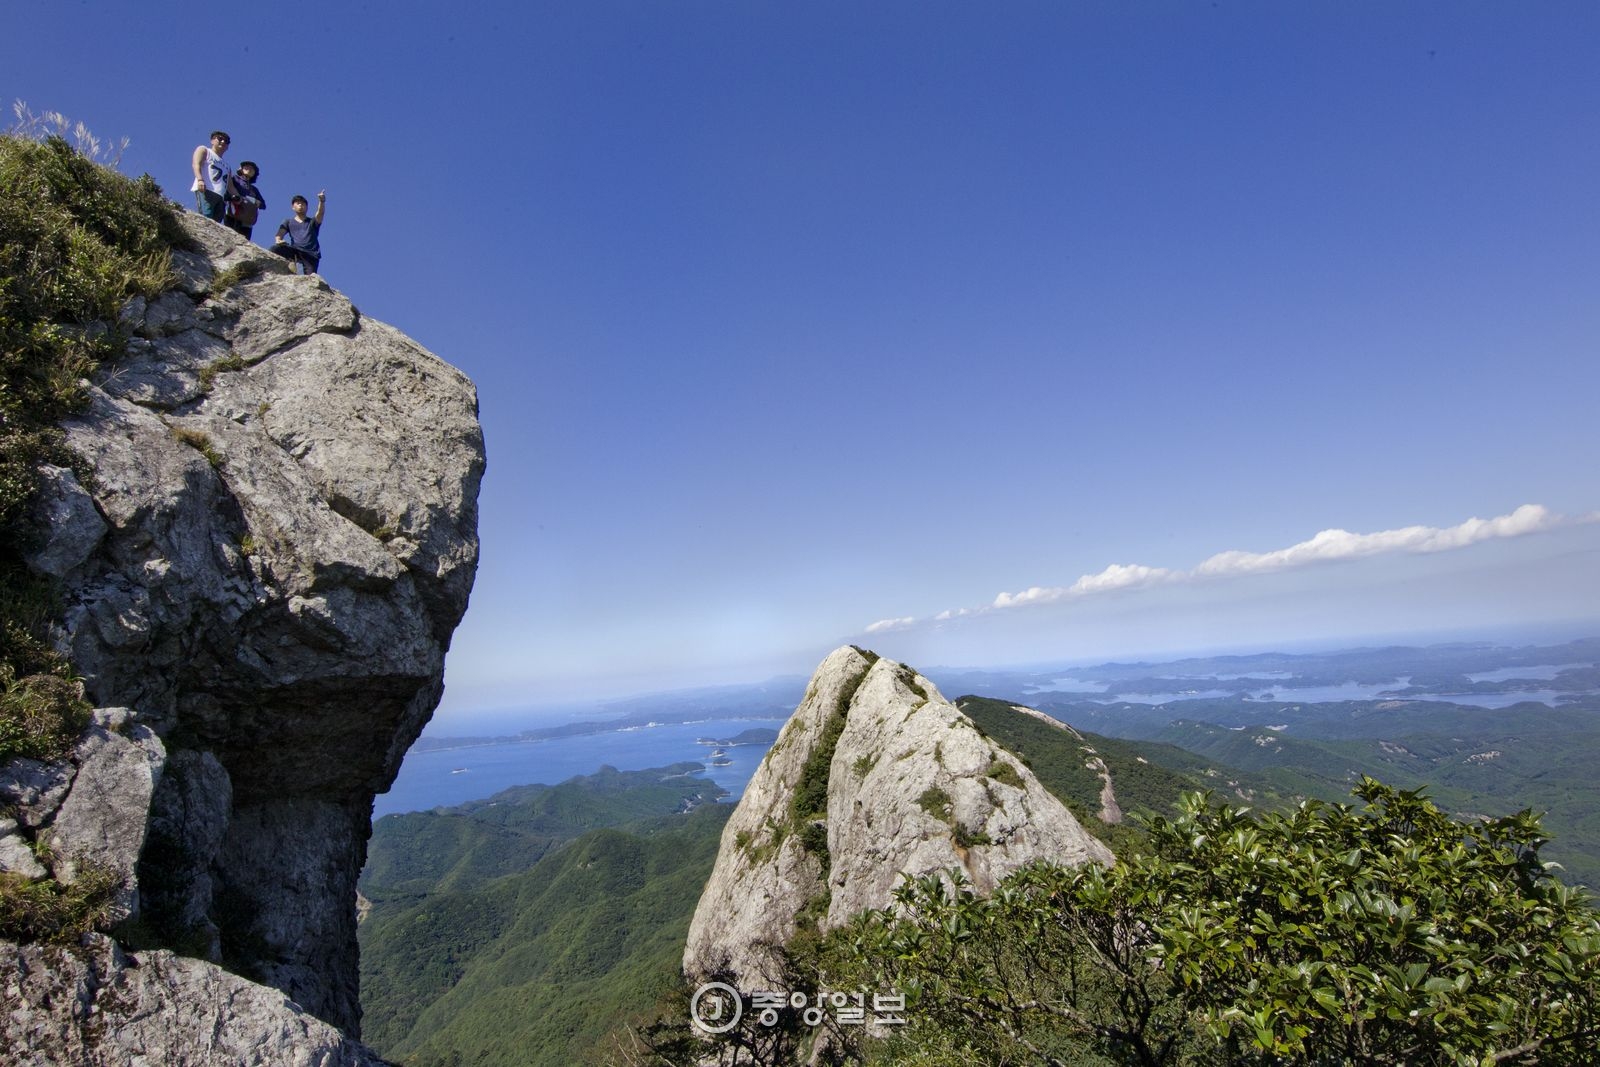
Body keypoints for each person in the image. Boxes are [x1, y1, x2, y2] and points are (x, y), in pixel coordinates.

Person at [272, 191, 326, 274]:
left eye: (303, 204)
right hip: (295, 251)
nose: (301, 205)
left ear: (307, 207)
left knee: (308, 278)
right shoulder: (288, 222)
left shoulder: (312, 222)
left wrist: (321, 201)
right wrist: (278, 240)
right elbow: (279, 234)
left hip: (311, 254)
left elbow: (320, 213)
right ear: (293, 207)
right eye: (298, 203)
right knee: (275, 248)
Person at [190, 131, 233, 223]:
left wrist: (238, 197)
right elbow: (196, 164)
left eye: (226, 141)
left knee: (216, 223)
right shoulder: (204, 150)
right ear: (212, 140)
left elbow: (230, 185)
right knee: (206, 217)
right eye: (220, 139)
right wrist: (200, 179)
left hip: (221, 196)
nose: (223, 142)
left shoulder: (227, 166)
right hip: (207, 189)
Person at [225, 161, 267, 241]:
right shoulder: (234, 179)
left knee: (244, 242)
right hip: (232, 214)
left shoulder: (254, 189)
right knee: (229, 238)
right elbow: (227, 191)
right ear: (241, 169)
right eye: (246, 167)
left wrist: (254, 201)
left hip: (246, 220)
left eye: (252, 169)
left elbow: (263, 205)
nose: (249, 169)